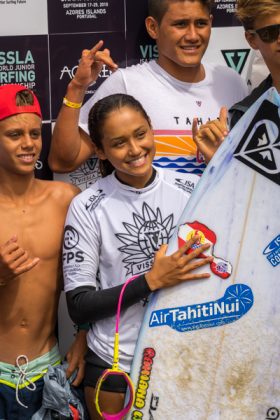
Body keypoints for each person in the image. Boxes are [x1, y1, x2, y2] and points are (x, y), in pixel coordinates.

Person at [63, 93, 215, 419]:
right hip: (114, 364)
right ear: (100, 151)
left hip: (184, 356)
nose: (134, 150)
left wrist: (221, 169)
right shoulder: (88, 205)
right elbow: (78, 306)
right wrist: (150, 281)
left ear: (151, 130)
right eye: (119, 143)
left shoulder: (193, 188)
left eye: (141, 134)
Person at [48, 0, 247, 179]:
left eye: (201, 23)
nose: (193, 35)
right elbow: (62, 162)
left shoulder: (232, 81)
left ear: (211, 23)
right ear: (153, 28)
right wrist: (77, 87)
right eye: (181, 24)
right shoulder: (127, 84)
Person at [0, 84, 87, 419]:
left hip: (49, 374)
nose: (28, 144)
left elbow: (93, 279)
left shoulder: (65, 199)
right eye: (14, 134)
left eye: (35, 133)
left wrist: (84, 336)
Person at [192, 0, 280, 161]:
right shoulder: (245, 114)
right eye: (271, 32)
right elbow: (248, 184)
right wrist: (220, 162)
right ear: (252, 39)